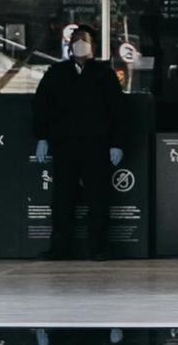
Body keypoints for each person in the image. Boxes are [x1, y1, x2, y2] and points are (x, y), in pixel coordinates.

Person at [31, 29, 125, 260]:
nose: (80, 45)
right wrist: (42, 137)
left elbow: (118, 111)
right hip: (65, 145)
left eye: (85, 41)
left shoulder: (104, 73)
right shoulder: (56, 73)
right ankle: (59, 248)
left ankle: (99, 249)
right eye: (75, 41)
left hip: (97, 145)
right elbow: (42, 105)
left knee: (98, 198)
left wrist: (116, 143)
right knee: (63, 198)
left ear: (92, 45)